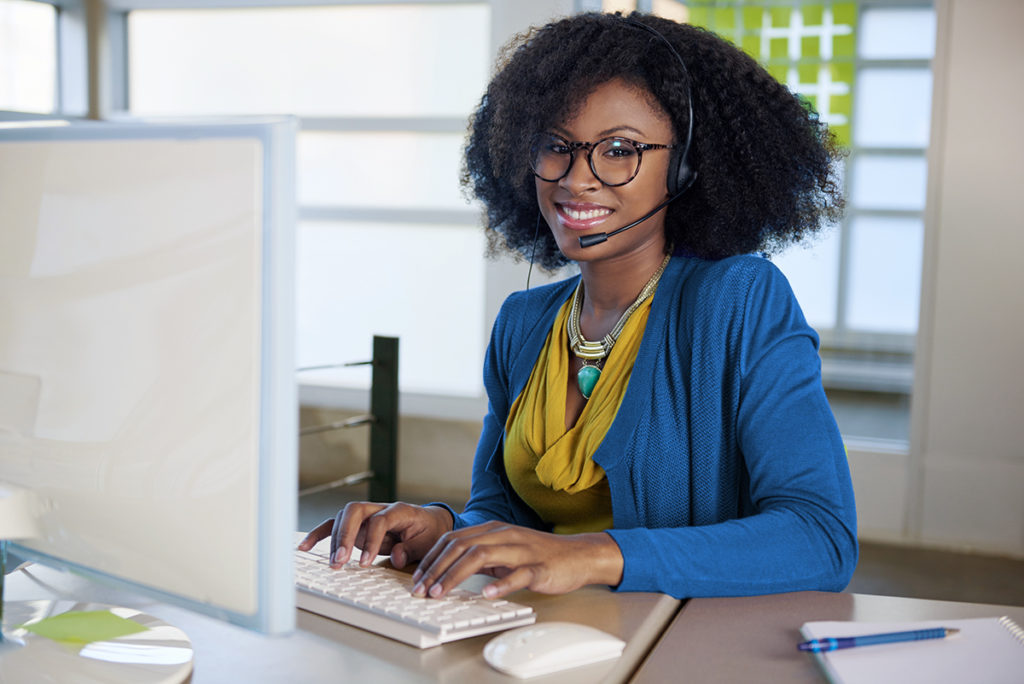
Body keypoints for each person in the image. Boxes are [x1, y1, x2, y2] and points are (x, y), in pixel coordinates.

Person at [300, 11, 857, 601]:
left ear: (688, 165)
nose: (576, 179)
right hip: (541, 637)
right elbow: (505, 516)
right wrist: (445, 528)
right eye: (556, 147)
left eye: (619, 149)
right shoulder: (524, 322)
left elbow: (821, 537)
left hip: (675, 641)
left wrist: (590, 556)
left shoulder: (739, 301)